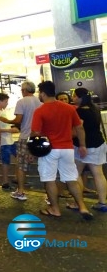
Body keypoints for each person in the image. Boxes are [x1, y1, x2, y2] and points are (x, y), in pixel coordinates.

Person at [31, 81, 93, 220]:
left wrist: (32, 150)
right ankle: (82, 207)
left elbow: (35, 132)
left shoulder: (40, 111)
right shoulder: (69, 108)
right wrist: (82, 145)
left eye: (39, 93)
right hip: (67, 149)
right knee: (71, 178)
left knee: (49, 180)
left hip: (49, 150)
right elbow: (79, 128)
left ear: (43, 93)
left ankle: (55, 209)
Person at [0, 81, 41, 201]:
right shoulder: (39, 102)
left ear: (24, 90)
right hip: (38, 137)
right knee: (41, 164)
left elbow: (18, 120)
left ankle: (20, 191)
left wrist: (5, 120)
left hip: (25, 136)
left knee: (21, 165)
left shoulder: (22, 102)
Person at [71, 88, 107, 212]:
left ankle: (78, 203)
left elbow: (78, 130)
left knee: (75, 173)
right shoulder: (95, 108)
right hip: (99, 143)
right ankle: (103, 202)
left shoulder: (80, 111)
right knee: (98, 174)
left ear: (80, 98)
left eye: (75, 96)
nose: (73, 98)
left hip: (84, 146)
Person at [0, 93, 18, 190]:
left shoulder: (2, 112)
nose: (7, 104)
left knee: (17, 158)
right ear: (0, 101)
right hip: (4, 141)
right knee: (5, 162)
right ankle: (5, 181)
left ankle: (14, 178)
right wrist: (10, 130)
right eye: (6, 102)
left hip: (9, 140)